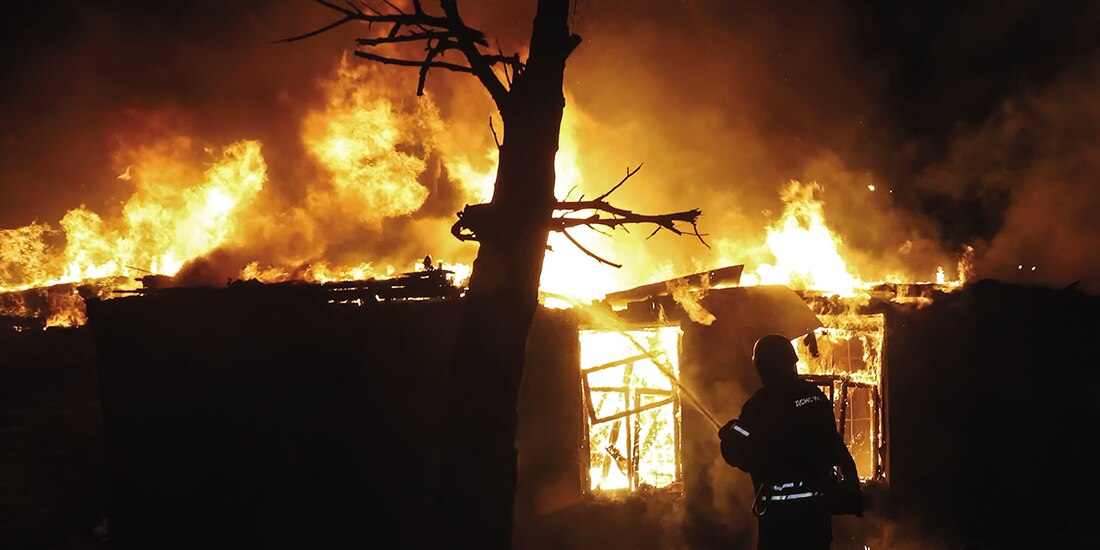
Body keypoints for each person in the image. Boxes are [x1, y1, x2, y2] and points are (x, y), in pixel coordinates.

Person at [718, 334, 862, 550]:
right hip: (816, 518)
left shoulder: (760, 405)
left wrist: (731, 433)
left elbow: (741, 456)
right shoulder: (815, 396)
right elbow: (834, 447)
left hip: (779, 523)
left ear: (761, 368)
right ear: (792, 362)